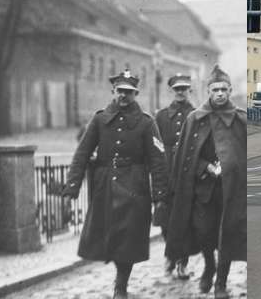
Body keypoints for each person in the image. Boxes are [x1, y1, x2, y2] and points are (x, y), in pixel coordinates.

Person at [62, 69, 168, 299]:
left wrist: (160, 196)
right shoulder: (100, 119)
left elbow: (158, 161)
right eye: (120, 91)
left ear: (136, 93)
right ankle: (119, 278)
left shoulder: (147, 123)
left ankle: (121, 284)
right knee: (110, 235)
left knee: (128, 238)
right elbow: (82, 153)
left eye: (129, 92)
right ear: (113, 91)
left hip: (135, 189)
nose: (124, 96)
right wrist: (72, 187)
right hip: (105, 188)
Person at [166, 65, 246, 299]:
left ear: (230, 90)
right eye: (215, 89)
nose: (219, 93)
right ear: (208, 91)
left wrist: (230, 167)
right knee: (204, 233)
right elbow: (186, 156)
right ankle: (209, 265)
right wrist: (207, 167)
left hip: (230, 191)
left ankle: (220, 282)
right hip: (203, 188)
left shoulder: (240, 119)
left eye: (223, 89)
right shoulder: (195, 118)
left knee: (227, 234)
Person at [155, 73, 196, 279]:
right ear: (171, 91)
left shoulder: (198, 114)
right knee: (165, 220)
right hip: (167, 175)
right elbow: (155, 148)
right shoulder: (161, 116)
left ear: (189, 90)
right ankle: (171, 255)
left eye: (184, 88)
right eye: (177, 89)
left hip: (190, 176)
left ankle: (181, 262)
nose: (181, 92)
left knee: (187, 221)